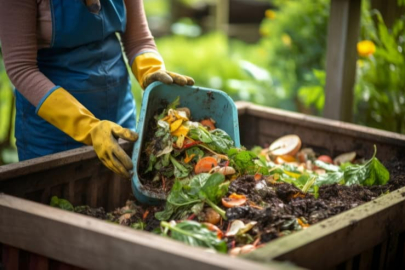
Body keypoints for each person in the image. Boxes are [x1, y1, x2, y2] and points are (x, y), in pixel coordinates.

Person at [0, 0, 194, 177]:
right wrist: (88, 127)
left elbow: (138, 40)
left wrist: (150, 70)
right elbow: (21, 69)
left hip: (118, 115)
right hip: (51, 134)